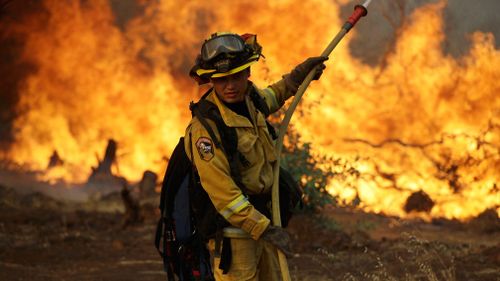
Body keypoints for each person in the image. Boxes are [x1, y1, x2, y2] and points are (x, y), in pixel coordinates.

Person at [185, 31, 327, 281]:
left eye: (236, 77)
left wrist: (297, 78)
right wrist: (264, 229)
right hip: (235, 237)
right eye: (221, 80)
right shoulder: (205, 130)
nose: (230, 86)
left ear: (248, 73)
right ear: (211, 81)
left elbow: (271, 97)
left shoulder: (250, 101)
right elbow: (225, 196)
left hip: (266, 223)